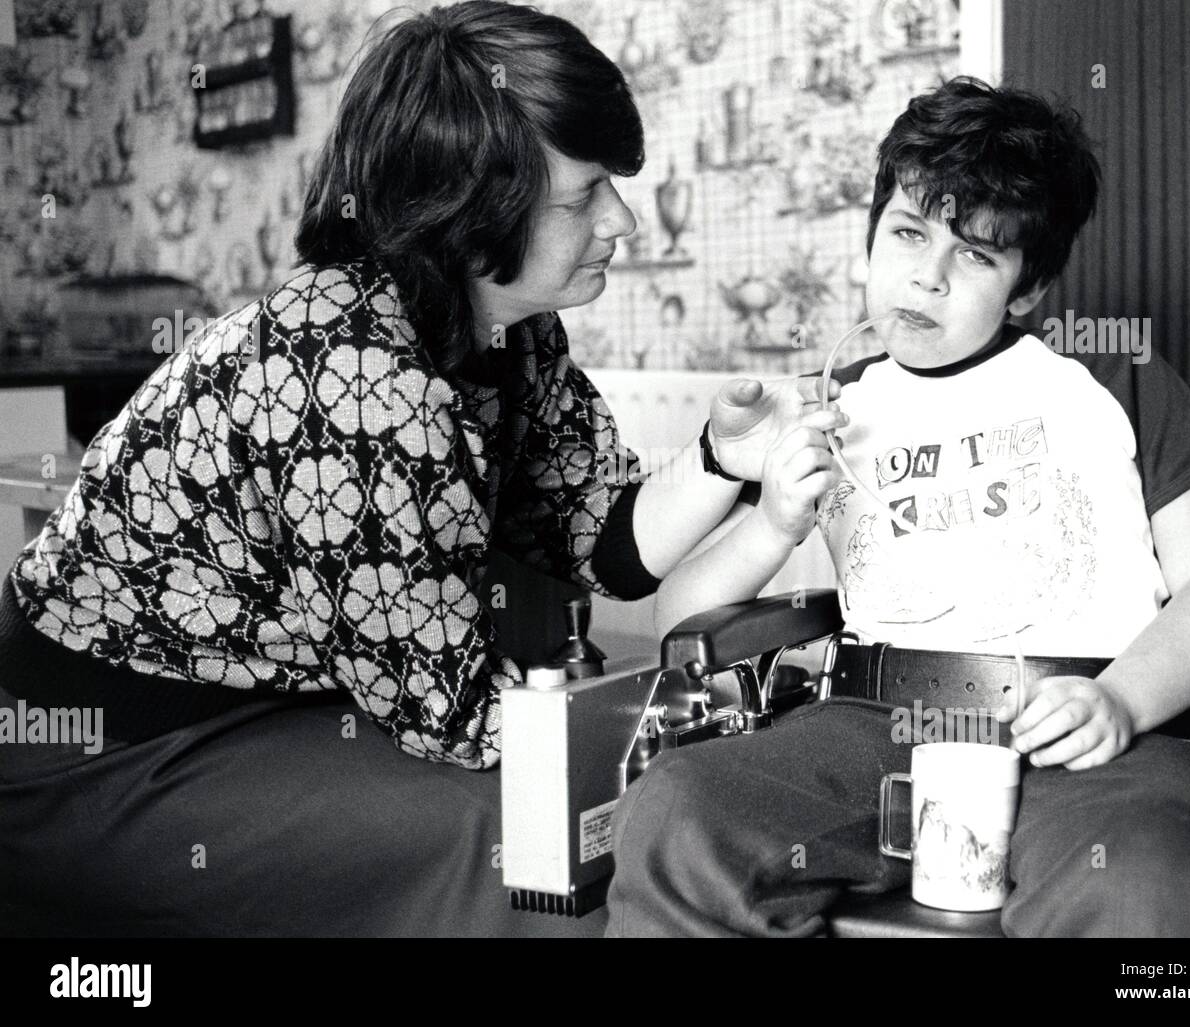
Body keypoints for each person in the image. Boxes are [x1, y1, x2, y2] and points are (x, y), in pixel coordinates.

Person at [0, 2, 840, 938]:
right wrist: (700, 717)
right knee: (516, 843)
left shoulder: (509, 329)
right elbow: (462, 723)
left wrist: (729, 461)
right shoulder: (355, 373)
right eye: (584, 195)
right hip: (102, 749)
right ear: (469, 213)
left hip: (277, 698)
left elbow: (604, 538)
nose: (623, 219)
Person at [605, 77, 1190, 938]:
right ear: (871, 236)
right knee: (676, 814)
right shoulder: (837, 402)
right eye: (908, 235)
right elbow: (679, 620)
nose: (926, 278)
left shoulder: (1114, 378)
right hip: (875, 727)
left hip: (1102, 734)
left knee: (1146, 889)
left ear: (1027, 289)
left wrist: (1120, 701)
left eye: (975, 255)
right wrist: (775, 519)